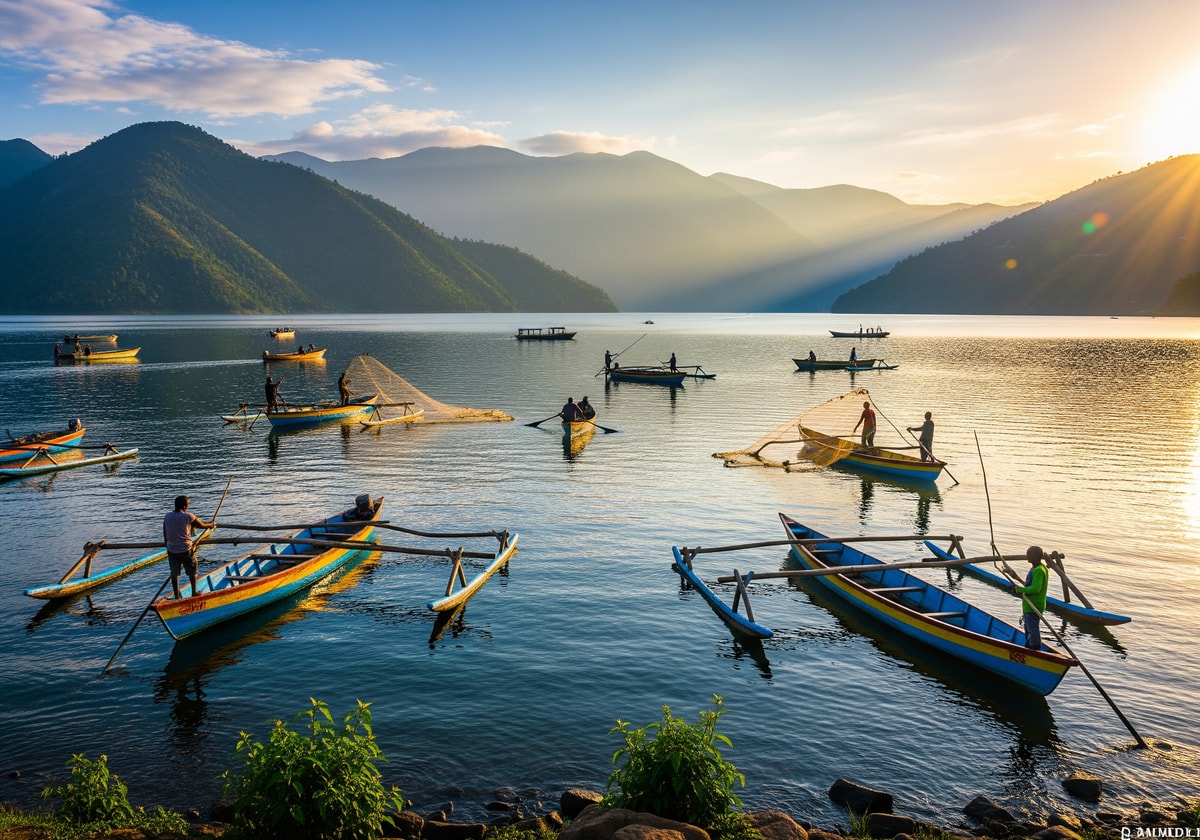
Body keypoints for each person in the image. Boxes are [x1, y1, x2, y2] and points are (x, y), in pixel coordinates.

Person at [163, 495, 215, 600]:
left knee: (174, 573)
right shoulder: (188, 516)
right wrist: (211, 524)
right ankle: (194, 592)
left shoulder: (167, 516)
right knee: (192, 570)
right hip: (185, 549)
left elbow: (165, 531)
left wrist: (167, 544)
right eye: (188, 504)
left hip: (171, 549)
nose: (188, 506)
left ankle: (177, 596)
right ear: (184, 506)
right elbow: (202, 525)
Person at [1012, 546, 1049, 649]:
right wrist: (1017, 586)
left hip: (1033, 605)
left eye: (1029, 555)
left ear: (1036, 556)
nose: (1027, 556)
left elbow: (1036, 589)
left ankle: (1034, 649)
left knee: (1032, 631)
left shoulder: (1039, 570)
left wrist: (1020, 590)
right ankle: (1029, 646)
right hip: (1030, 604)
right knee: (1028, 630)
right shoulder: (1037, 568)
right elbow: (1029, 585)